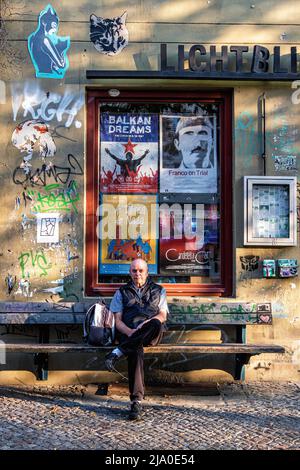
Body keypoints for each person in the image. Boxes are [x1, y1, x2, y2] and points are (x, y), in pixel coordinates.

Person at [104, 258, 168, 421]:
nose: (137, 274)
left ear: (147, 272)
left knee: (155, 323)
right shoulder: (121, 292)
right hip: (129, 333)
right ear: (129, 272)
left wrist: (144, 324)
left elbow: (162, 315)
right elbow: (117, 320)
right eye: (134, 270)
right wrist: (131, 331)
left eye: (141, 270)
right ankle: (136, 402)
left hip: (151, 332)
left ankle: (119, 351)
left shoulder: (159, 290)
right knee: (136, 350)